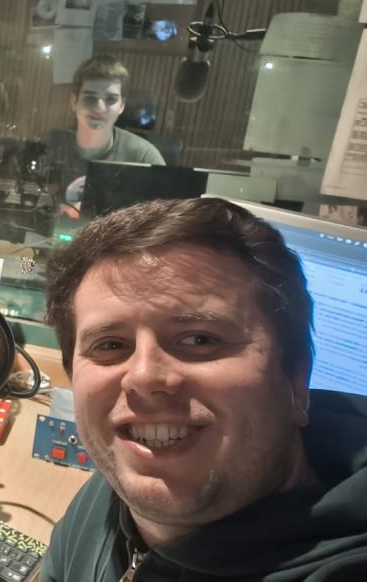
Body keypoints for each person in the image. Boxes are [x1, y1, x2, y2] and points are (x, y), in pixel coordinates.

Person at [40, 197, 367, 580]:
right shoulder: (110, 488)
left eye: (200, 339)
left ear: (297, 381)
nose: (142, 378)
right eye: (110, 345)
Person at [45, 55, 165, 207]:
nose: (99, 108)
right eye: (90, 98)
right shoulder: (49, 146)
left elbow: (165, 216)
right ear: (74, 102)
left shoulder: (143, 158)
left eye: (110, 99)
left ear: (122, 105)